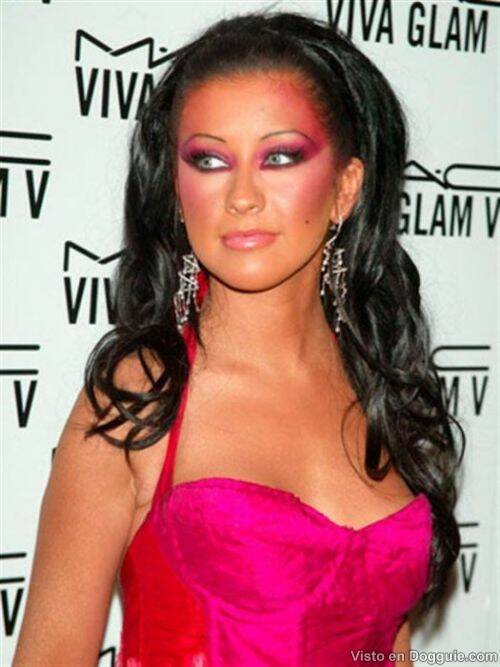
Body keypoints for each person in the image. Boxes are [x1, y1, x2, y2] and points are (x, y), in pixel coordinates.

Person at [13, 9, 465, 667]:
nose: (242, 196)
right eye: (210, 160)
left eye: (279, 156)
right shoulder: (140, 395)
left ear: (345, 188)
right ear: (177, 191)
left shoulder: (381, 387)